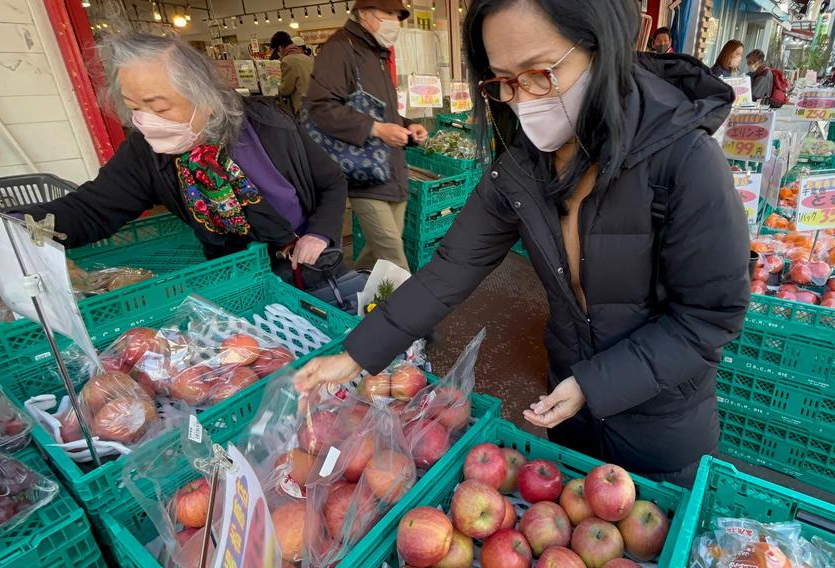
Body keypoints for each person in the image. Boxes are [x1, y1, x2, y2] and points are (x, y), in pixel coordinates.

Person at [295, 0, 750, 487]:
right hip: (568, 412)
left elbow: (708, 317)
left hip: (662, 426)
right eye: (503, 82)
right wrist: (356, 354)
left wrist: (595, 384)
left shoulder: (685, 163)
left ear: (604, 49)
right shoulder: (522, 166)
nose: (524, 99)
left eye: (539, 73)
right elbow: (450, 268)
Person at [11, 32, 346, 286]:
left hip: (313, 262)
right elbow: (91, 208)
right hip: (241, 276)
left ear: (208, 99)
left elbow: (331, 181)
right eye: (134, 107)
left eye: (159, 107)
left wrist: (320, 234)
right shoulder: (146, 152)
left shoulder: (269, 125)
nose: (146, 120)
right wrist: (11, 226)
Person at [305, 0, 427, 272]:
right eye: (387, 13)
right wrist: (375, 129)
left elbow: (381, 111)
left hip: (392, 169)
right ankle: (410, 313)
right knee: (394, 258)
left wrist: (408, 126)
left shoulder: (378, 53)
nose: (394, 21)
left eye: (397, 15)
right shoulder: (340, 48)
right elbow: (319, 107)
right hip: (363, 172)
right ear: (363, 13)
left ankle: (354, 299)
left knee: (378, 254)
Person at [270, 31, 315, 115]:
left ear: (280, 48)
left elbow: (286, 90)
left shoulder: (287, 60)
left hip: (303, 107)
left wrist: (276, 86)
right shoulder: (308, 58)